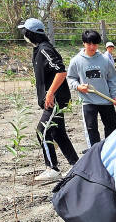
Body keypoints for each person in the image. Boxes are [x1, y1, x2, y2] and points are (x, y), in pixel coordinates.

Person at [18, 18, 79, 182]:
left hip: (56, 100)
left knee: (42, 130)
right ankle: (76, 165)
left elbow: (60, 71)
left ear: (30, 33)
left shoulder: (45, 50)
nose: (23, 35)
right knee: (58, 133)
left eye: (24, 32)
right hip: (56, 99)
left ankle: (52, 168)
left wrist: (50, 93)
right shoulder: (39, 50)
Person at [67, 30, 116, 148]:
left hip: (106, 99)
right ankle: (95, 154)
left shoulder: (104, 60)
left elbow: (112, 78)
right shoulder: (76, 61)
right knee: (91, 129)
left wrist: (114, 95)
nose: (92, 47)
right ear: (84, 43)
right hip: (88, 101)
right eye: (89, 44)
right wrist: (78, 86)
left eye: (95, 44)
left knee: (112, 127)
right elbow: (71, 78)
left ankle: (110, 150)